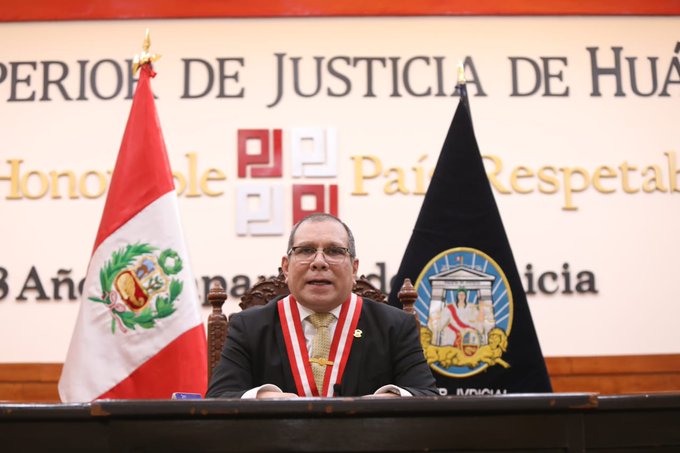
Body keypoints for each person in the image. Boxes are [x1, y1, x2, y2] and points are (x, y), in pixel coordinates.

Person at [206, 213, 438, 398]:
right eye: (306, 250)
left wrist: (391, 400)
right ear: (286, 267)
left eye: (334, 251)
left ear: (354, 269)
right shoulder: (249, 326)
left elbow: (427, 396)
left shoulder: (395, 325)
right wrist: (263, 398)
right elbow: (219, 397)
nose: (319, 262)